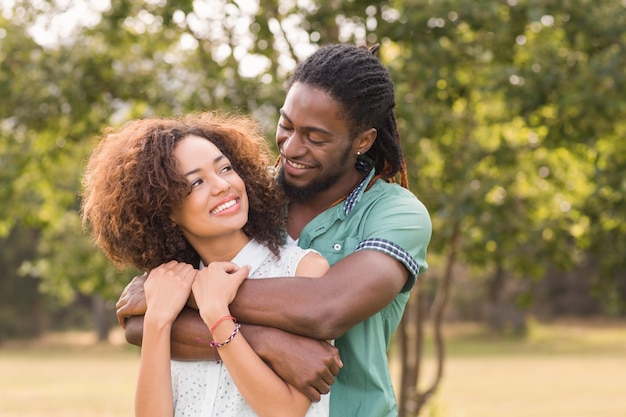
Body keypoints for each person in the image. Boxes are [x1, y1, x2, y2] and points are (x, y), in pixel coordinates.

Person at [117, 43, 432, 417]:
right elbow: (141, 326)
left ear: (362, 141)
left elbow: (326, 308)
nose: (291, 147)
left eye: (315, 138)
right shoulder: (243, 196)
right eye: (286, 125)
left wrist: (184, 292)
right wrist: (268, 343)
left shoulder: (396, 213)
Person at [81, 111, 333, 417]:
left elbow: (286, 411)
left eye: (225, 168)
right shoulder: (167, 286)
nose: (222, 185)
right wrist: (159, 319)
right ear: (165, 209)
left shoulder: (304, 271)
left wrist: (216, 315)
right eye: (196, 182)